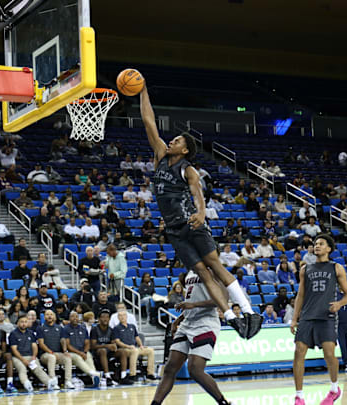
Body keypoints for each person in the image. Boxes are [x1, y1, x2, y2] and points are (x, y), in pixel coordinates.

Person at [139, 80, 260, 340]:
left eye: (178, 140)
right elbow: (149, 121)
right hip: (173, 230)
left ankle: (249, 311)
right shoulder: (160, 155)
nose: (171, 140)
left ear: (185, 150)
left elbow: (197, 193)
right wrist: (143, 90)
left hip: (191, 223)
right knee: (202, 273)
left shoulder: (188, 169)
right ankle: (231, 318)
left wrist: (202, 212)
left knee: (215, 266)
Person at [151, 266, 231, 404]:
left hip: (205, 323)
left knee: (195, 369)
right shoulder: (190, 273)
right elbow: (191, 301)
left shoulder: (212, 270)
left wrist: (194, 305)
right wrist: (179, 319)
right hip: (188, 323)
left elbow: (222, 299)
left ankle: (223, 402)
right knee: (170, 368)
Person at [290, 234, 347, 405]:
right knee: (298, 353)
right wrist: (294, 319)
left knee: (329, 355)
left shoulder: (336, 268)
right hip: (308, 316)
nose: (317, 246)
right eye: (315, 244)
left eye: (321, 244)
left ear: (329, 249)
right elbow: (300, 295)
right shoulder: (305, 269)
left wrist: (339, 304)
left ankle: (334, 388)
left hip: (327, 317)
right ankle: (299, 396)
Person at [9, 315, 58, 393]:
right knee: (22, 369)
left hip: (30, 356)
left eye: (25, 322)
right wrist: (23, 360)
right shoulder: (13, 334)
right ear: (18, 323)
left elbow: (34, 346)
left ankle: (49, 383)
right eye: (22, 322)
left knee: (38, 368)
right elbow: (14, 350)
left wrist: (34, 356)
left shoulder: (31, 333)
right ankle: (26, 383)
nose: (24, 324)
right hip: (18, 357)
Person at [113, 310, 156, 382]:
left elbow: (137, 337)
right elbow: (117, 341)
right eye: (120, 315)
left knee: (150, 350)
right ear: (118, 318)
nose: (122, 317)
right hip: (124, 349)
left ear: (126, 316)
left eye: (124, 315)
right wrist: (128, 346)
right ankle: (132, 374)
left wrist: (141, 345)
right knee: (135, 351)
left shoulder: (132, 326)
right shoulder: (116, 328)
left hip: (134, 347)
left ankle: (150, 374)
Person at [62, 311, 102, 387]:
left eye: (76, 316)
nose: (75, 318)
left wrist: (85, 351)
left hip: (82, 351)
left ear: (79, 318)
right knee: (77, 358)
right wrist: (80, 353)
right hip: (71, 352)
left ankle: (94, 378)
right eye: (72, 316)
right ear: (69, 318)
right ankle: (93, 373)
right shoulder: (65, 329)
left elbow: (87, 343)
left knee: (89, 356)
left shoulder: (83, 329)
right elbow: (68, 345)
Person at [36, 309, 72, 389]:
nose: (49, 316)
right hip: (45, 355)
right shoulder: (40, 328)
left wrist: (65, 351)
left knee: (68, 357)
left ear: (54, 317)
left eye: (51, 314)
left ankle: (68, 381)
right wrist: (50, 352)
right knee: (52, 357)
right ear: (44, 317)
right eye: (47, 314)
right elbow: (41, 344)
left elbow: (63, 340)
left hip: (57, 353)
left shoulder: (59, 328)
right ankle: (53, 381)